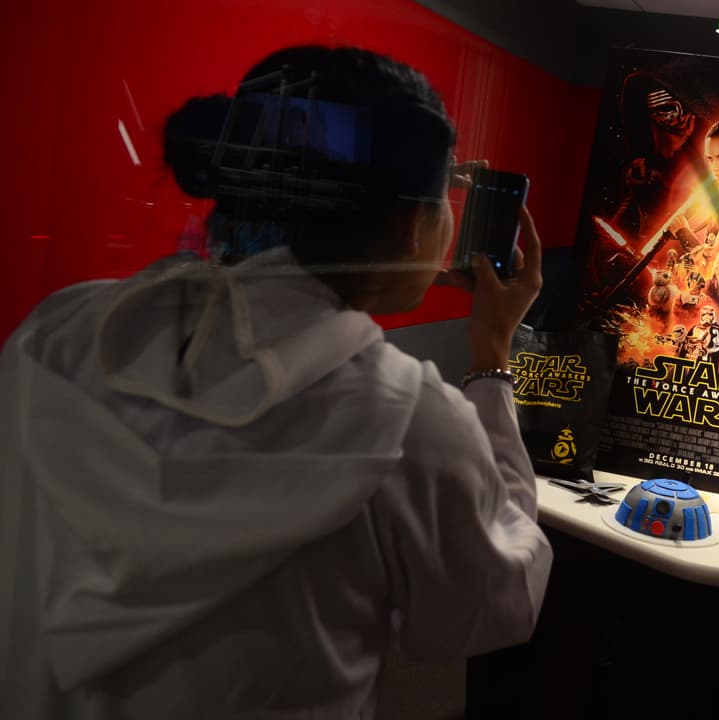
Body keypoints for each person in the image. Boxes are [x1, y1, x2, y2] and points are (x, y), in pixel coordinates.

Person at [0, 46, 553, 717]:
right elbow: (495, 603)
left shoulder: (59, 329)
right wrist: (492, 354)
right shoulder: (408, 422)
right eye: (447, 197)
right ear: (414, 226)